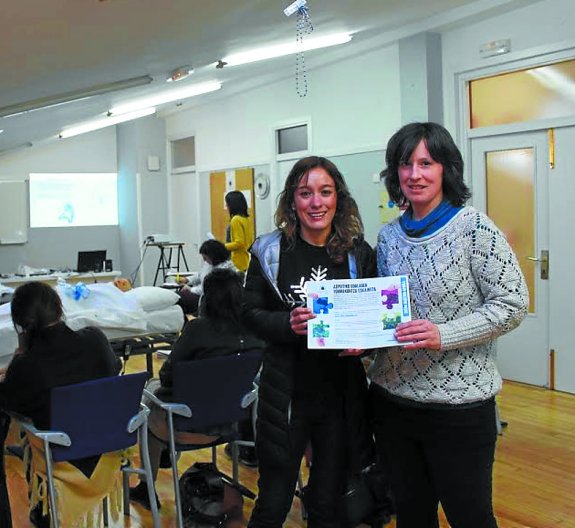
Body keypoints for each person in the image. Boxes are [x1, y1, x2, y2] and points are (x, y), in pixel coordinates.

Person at [369, 122, 529, 528]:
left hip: (459, 408)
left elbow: (513, 303)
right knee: (411, 515)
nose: (415, 174)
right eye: (405, 164)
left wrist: (445, 334)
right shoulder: (388, 237)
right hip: (392, 400)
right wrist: (364, 338)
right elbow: (387, 314)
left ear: (446, 169)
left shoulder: (474, 229)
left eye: (427, 162)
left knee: (470, 516)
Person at [243, 156, 376, 528]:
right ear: (292, 202)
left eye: (325, 192)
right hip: (285, 398)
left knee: (327, 503)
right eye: (305, 193)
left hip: (339, 399)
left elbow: (375, 323)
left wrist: (364, 345)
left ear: (339, 198)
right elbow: (249, 313)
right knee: (274, 501)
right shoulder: (269, 252)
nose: (316, 202)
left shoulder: (358, 253)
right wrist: (287, 323)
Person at [129, 267, 264, 510]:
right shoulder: (254, 330)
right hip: (230, 426)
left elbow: (167, 375)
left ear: (207, 299)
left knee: (146, 406)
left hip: (185, 426)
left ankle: (145, 487)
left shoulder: (197, 329)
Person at [0, 281, 122, 527]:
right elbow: (115, 368)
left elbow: (8, 400)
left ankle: (43, 509)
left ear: (21, 325)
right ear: (59, 307)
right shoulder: (95, 339)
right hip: (109, 448)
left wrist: (19, 355)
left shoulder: (28, 365)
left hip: (63, 454)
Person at [177, 239, 237, 315]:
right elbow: (200, 275)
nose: (204, 260)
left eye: (205, 258)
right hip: (200, 294)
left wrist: (190, 289)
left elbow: (207, 289)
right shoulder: (209, 263)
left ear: (213, 256)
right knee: (177, 297)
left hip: (209, 299)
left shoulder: (224, 270)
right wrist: (187, 280)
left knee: (178, 299)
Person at [224, 190, 255, 272]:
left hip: (238, 263)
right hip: (246, 260)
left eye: (227, 204)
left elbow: (239, 243)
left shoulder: (235, 219)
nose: (226, 207)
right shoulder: (246, 219)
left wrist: (223, 246)